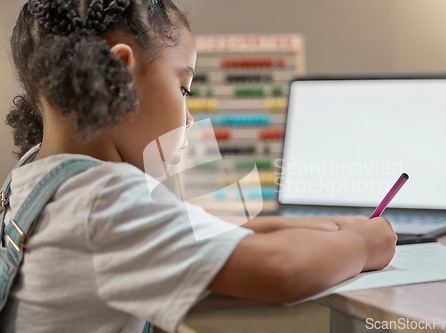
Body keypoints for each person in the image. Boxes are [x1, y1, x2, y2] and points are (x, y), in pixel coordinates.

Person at [0, 0, 397, 332]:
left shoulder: (34, 176)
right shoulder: (103, 201)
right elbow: (283, 270)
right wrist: (361, 246)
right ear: (120, 76)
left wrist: (334, 225)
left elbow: (203, 227)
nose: (189, 118)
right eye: (183, 88)